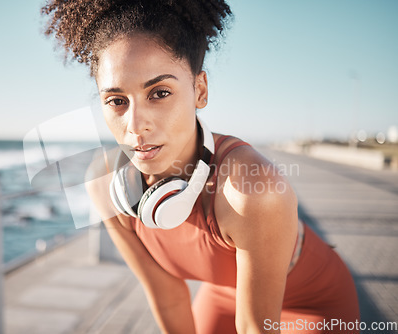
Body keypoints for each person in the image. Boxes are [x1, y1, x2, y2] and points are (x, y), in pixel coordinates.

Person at [42, 1, 360, 333]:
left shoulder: (251, 189)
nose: (135, 125)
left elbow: (255, 326)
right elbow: (168, 298)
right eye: (117, 101)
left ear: (200, 89)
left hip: (312, 303)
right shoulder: (105, 183)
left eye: (160, 92)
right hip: (223, 295)